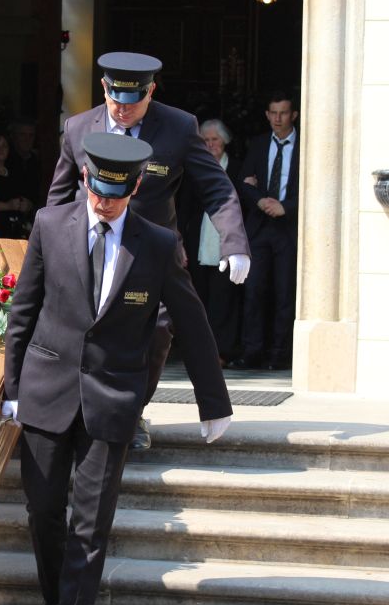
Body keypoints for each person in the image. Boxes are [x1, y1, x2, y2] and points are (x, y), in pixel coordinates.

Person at [4, 132, 233, 605]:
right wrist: (12, 391)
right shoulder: (49, 225)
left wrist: (213, 401)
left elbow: (191, 321)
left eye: (116, 195)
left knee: (91, 521)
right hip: (46, 389)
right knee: (43, 510)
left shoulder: (156, 243)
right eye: (97, 191)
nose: (104, 203)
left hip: (112, 397)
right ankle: (55, 599)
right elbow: (23, 311)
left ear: (134, 188)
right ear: (85, 179)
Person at [47, 52, 250, 451]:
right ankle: (81, 411)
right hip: (92, 249)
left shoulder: (178, 127)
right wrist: (49, 250)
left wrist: (234, 242)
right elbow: (59, 196)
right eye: (115, 100)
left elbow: (216, 187)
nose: (123, 110)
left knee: (157, 332)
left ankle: (132, 410)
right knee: (85, 330)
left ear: (151, 91)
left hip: (153, 255)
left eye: (133, 102)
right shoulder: (78, 127)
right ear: (104, 88)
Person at [233, 90, 301, 370]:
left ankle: (279, 354)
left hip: (287, 228)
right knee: (254, 290)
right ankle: (252, 352)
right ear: (267, 115)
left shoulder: (306, 146)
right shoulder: (259, 144)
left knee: (284, 293)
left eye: (283, 113)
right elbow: (243, 182)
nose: (278, 118)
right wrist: (260, 200)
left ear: (293, 115)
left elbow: (315, 185)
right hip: (260, 227)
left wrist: (287, 206)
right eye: (273, 113)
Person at [179, 119, 243, 366]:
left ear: (224, 141)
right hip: (198, 243)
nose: (210, 144)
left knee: (224, 301)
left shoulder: (237, 168)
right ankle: (200, 352)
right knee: (199, 300)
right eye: (205, 140)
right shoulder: (194, 168)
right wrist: (179, 240)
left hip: (227, 245)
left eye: (215, 139)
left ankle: (222, 352)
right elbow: (184, 208)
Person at [0, 131, 35, 238]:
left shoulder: (14, 171)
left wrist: (27, 205)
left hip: (14, 230)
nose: (1, 149)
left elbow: (27, 197)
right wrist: (8, 206)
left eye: (4, 146)